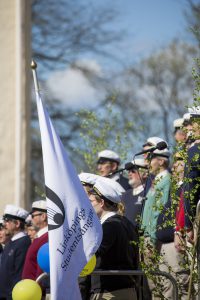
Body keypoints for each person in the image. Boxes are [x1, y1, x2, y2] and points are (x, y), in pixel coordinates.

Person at [81, 178, 139, 300]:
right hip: (126, 288)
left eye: (90, 201)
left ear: (101, 202)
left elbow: (93, 252)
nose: (88, 205)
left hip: (110, 292)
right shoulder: (126, 223)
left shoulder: (109, 225)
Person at [0, 205, 30, 300]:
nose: (5, 224)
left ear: (17, 223)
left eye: (7, 221)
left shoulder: (24, 243)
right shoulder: (11, 243)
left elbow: (19, 274)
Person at [22, 200, 48, 280]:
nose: (31, 218)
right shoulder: (40, 237)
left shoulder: (46, 238)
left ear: (43, 216)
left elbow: (42, 269)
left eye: (33, 216)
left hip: (36, 289)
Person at [121, 158, 147, 228]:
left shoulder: (147, 193)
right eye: (128, 171)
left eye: (133, 171)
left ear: (144, 174)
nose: (129, 174)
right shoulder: (125, 195)